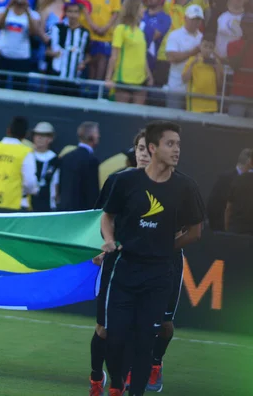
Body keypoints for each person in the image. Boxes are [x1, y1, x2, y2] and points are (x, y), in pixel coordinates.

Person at [101, 120, 204, 396]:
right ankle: (115, 382)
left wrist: (166, 246)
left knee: (152, 335)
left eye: (179, 144)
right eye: (170, 144)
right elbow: (107, 216)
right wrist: (109, 241)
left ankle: (145, 377)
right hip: (125, 268)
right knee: (114, 336)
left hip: (161, 269)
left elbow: (195, 230)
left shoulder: (185, 187)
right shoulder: (124, 181)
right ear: (152, 148)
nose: (177, 150)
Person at [88, 129, 150, 396]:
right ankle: (95, 377)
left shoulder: (170, 186)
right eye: (140, 148)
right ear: (134, 151)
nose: (144, 154)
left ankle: (118, 383)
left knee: (133, 330)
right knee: (103, 329)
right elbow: (98, 217)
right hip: (114, 264)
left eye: (149, 149)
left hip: (148, 268)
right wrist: (100, 247)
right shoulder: (117, 181)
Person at [105, 0, 153, 105]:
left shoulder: (140, 32)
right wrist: (109, 78)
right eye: (141, 7)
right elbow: (114, 56)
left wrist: (149, 75)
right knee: (122, 115)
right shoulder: (120, 29)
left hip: (141, 80)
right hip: (124, 79)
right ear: (134, 9)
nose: (143, 10)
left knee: (137, 117)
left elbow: (142, 56)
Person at [57, 121, 101, 211]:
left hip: (64, 210)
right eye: (97, 133)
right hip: (82, 213)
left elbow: (60, 186)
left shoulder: (66, 157)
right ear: (91, 136)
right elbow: (92, 192)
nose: (99, 136)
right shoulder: (91, 160)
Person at [207, 148, 252, 231]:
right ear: (249, 162)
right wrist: (221, 228)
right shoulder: (225, 179)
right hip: (225, 230)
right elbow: (213, 204)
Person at [181, 34, 223, 113]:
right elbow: (184, 80)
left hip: (210, 105)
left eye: (210, 47)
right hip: (194, 103)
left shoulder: (216, 63)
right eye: (205, 46)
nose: (207, 50)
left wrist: (217, 69)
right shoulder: (192, 60)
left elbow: (220, 85)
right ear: (200, 46)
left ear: (213, 49)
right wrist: (192, 65)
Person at [27, 122, 59, 212]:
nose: (39, 138)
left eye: (43, 135)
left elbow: (55, 184)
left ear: (50, 139)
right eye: (37, 135)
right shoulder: (27, 155)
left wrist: (54, 204)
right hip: (27, 204)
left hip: (46, 205)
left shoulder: (54, 159)